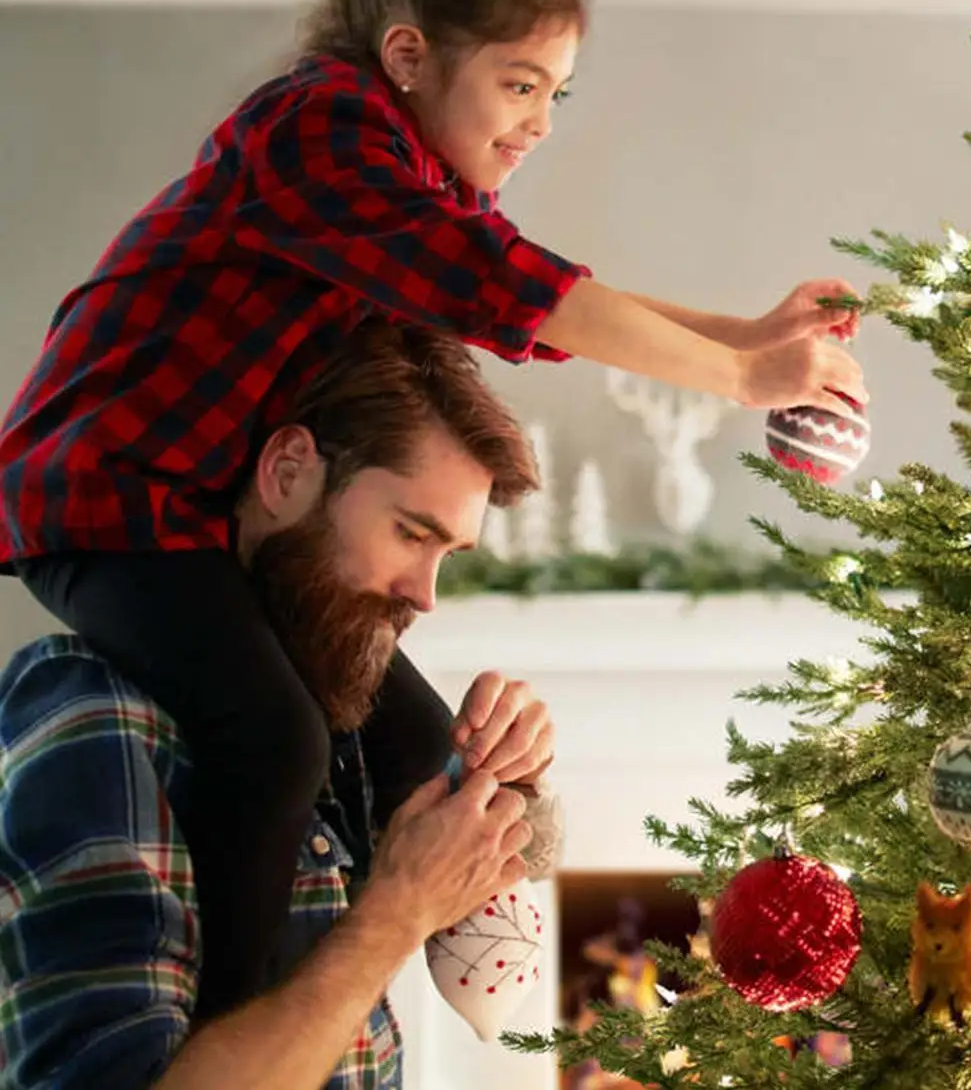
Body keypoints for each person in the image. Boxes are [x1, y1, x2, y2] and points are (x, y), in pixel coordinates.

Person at [0, 0, 867, 1017]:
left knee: (413, 747)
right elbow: (513, 291)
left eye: (556, 93)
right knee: (276, 740)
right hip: (99, 494)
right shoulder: (316, 131)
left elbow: (529, 282)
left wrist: (744, 336)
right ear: (408, 54)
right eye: (519, 84)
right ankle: (230, 1028)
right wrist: (740, 377)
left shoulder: (411, 188)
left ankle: (461, 978)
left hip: (203, 511)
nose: (539, 122)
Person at [0, 320, 558, 1089]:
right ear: (288, 469)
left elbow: (518, 870)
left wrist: (516, 772)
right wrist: (392, 917)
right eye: (408, 532)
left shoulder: (338, 687)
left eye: (446, 555)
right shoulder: (97, 715)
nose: (426, 596)